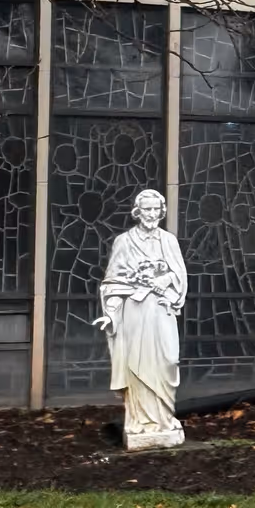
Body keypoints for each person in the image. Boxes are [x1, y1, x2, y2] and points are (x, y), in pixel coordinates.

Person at [93, 189, 187, 449]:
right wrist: (111, 315)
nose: (152, 214)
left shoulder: (168, 241)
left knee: (168, 361)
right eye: (147, 209)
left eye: (156, 210)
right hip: (134, 314)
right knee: (138, 365)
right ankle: (139, 423)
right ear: (137, 211)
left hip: (162, 311)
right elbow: (112, 283)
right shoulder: (124, 241)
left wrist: (164, 280)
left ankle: (165, 420)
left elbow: (180, 275)